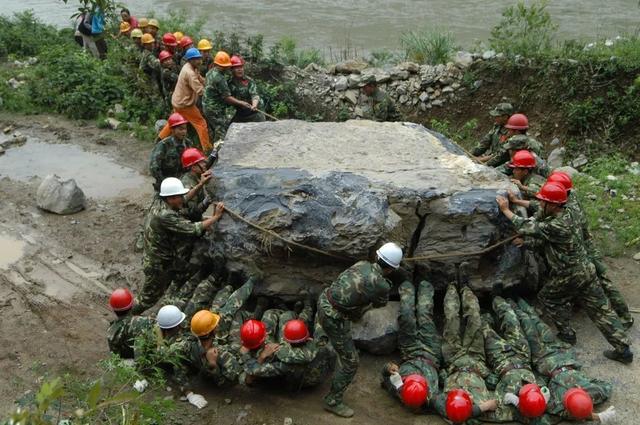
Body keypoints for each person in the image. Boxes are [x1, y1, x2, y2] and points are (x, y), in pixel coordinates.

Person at [496, 183, 633, 362]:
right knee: (601, 309)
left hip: (570, 274)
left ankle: (567, 334)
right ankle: (623, 349)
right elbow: (539, 215)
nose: (541, 204)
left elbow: (526, 226)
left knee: (549, 298)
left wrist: (506, 209)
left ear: (553, 205)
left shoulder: (556, 225)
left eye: (544, 201)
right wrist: (517, 202)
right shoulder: (570, 212)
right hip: (586, 269)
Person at [317, 242, 402, 417]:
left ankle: (330, 341)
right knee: (351, 362)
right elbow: (381, 302)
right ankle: (332, 401)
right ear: (392, 269)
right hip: (334, 318)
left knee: (354, 309)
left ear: (377, 257)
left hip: (323, 300)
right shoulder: (381, 284)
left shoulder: (362, 263)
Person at [514, 298, 618, 423]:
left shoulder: (556, 406)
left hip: (544, 359)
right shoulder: (595, 392)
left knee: (526, 323)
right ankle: (519, 299)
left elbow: (535, 414)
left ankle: (511, 301)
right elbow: (606, 386)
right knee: (537, 322)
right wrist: (594, 414)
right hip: (561, 353)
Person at [131, 177, 224, 314]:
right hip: (159, 266)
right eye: (178, 196)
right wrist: (215, 217)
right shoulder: (165, 215)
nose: (182, 198)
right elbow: (193, 229)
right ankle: (126, 316)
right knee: (148, 298)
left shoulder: (160, 201)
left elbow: (184, 199)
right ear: (170, 199)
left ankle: (169, 301)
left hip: (161, 260)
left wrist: (200, 185)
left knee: (178, 277)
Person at [381, 280, 443, 413]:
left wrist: (388, 368)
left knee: (406, 316)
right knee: (424, 313)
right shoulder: (432, 398)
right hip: (431, 352)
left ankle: (407, 280)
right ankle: (426, 280)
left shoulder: (397, 387)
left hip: (409, 351)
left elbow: (384, 376)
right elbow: (456, 411)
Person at [440, 281, 497, 423]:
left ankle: (451, 284)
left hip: (453, 359)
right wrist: (481, 408)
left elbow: (425, 399)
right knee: (475, 318)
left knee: (451, 317)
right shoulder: (481, 412)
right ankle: (465, 286)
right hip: (475, 357)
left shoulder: (446, 409)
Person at [482, 296, 545, 422]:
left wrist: (516, 403)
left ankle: (483, 306)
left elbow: (475, 416)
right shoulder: (539, 403)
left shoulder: (507, 411)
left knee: (484, 329)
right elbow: (570, 411)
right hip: (523, 356)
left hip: (501, 360)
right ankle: (495, 296)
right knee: (512, 320)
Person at [135, 305, 209, 409]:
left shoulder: (153, 331)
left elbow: (139, 346)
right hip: (166, 361)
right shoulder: (179, 344)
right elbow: (178, 367)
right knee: (178, 360)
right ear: (178, 325)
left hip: (158, 360)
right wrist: (190, 394)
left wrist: (140, 373)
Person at [158, 48, 211, 153]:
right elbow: (200, 90)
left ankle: (159, 139)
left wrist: (208, 83)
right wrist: (212, 94)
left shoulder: (191, 67)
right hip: (184, 104)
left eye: (199, 58)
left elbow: (200, 79)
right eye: (196, 59)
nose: (199, 61)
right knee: (201, 123)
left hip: (178, 101)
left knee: (173, 123)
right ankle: (207, 149)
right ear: (190, 60)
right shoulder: (189, 73)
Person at [203, 51, 254, 143]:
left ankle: (213, 147)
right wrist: (241, 103)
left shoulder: (210, 72)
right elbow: (227, 98)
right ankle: (218, 152)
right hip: (215, 109)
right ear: (218, 65)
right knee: (221, 132)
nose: (226, 68)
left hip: (207, 105)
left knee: (216, 129)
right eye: (224, 66)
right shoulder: (220, 79)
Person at [149, 112, 198, 191]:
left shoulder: (188, 143)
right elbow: (154, 168)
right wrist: (165, 183)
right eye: (180, 129)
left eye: (185, 129)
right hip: (166, 183)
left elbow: (194, 163)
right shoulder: (163, 145)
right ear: (172, 130)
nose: (184, 132)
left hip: (184, 182)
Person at [106, 288, 153, 358]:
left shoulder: (112, 331)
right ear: (131, 305)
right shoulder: (146, 320)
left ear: (113, 309)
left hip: (131, 364)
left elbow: (115, 356)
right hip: (152, 359)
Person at [228, 55, 265, 123]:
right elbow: (227, 97)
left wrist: (254, 105)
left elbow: (255, 95)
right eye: (237, 67)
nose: (240, 69)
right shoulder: (228, 83)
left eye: (241, 67)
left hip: (254, 112)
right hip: (240, 113)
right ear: (232, 69)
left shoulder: (249, 81)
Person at [180, 148, 213, 222]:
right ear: (193, 167)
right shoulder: (188, 184)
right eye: (201, 162)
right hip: (186, 224)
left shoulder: (196, 177)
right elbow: (193, 213)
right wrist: (206, 202)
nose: (205, 164)